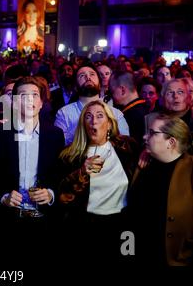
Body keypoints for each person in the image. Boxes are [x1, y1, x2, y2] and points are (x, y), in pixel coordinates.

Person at [0, 76, 65, 266]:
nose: (29, 100)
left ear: (42, 102)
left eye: (35, 95)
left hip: (42, 221)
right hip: (8, 222)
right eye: (23, 95)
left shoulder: (55, 136)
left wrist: (50, 194)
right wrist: (3, 197)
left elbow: (60, 176)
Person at [57, 100, 138, 265]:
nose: (93, 121)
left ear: (109, 124)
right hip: (87, 229)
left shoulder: (127, 148)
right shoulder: (69, 156)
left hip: (123, 227)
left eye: (100, 116)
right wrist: (82, 173)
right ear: (83, 124)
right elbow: (63, 197)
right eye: (88, 117)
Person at [129, 113, 193, 266]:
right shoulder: (143, 165)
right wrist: (126, 251)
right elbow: (131, 213)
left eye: (152, 133)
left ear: (171, 142)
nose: (144, 136)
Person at [55, 64, 130, 146]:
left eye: (92, 74)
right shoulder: (64, 113)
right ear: (76, 86)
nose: (88, 78)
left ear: (100, 84)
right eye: (82, 75)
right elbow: (58, 144)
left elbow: (124, 145)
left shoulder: (115, 114)